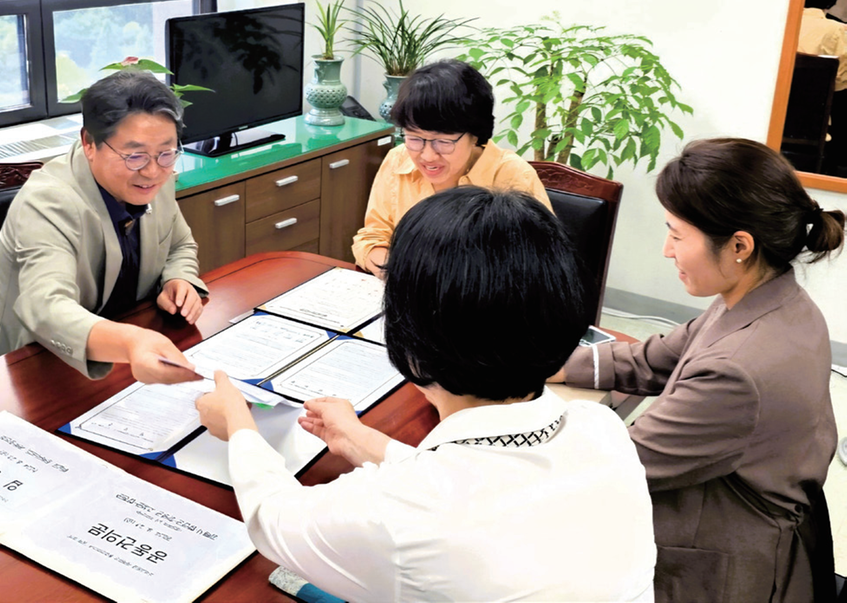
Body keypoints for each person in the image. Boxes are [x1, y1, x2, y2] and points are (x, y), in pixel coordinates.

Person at [198, 187, 656, 602]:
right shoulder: (602, 431)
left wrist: (238, 425)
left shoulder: (401, 514)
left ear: (412, 340)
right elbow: (478, 482)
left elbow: (272, 519)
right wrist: (362, 443)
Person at [554, 138, 845, 602]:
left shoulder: (739, 371)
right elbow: (658, 356)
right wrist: (553, 365)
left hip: (723, 565)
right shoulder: (767, 297)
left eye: (676, 234)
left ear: (739, 246)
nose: (666, 250)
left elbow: (617, 462)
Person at [0, 70, 205, 384]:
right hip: (38, 365)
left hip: (126, 357)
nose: (152, 171)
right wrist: (130, 343)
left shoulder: (156, 175)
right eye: (135, 155)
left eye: (166, 153)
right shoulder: (47, 201)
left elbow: (179, 245)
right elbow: (44, 306)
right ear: (89, 143)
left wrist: (178, 278)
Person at [351, 59, 551, 278]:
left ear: (476, 135)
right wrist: (399, 275)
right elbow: (372, 238)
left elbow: (538, 267)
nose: (427, 155)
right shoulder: (398, 160)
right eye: (415, 138)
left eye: (443, 142)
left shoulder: (512, 175)